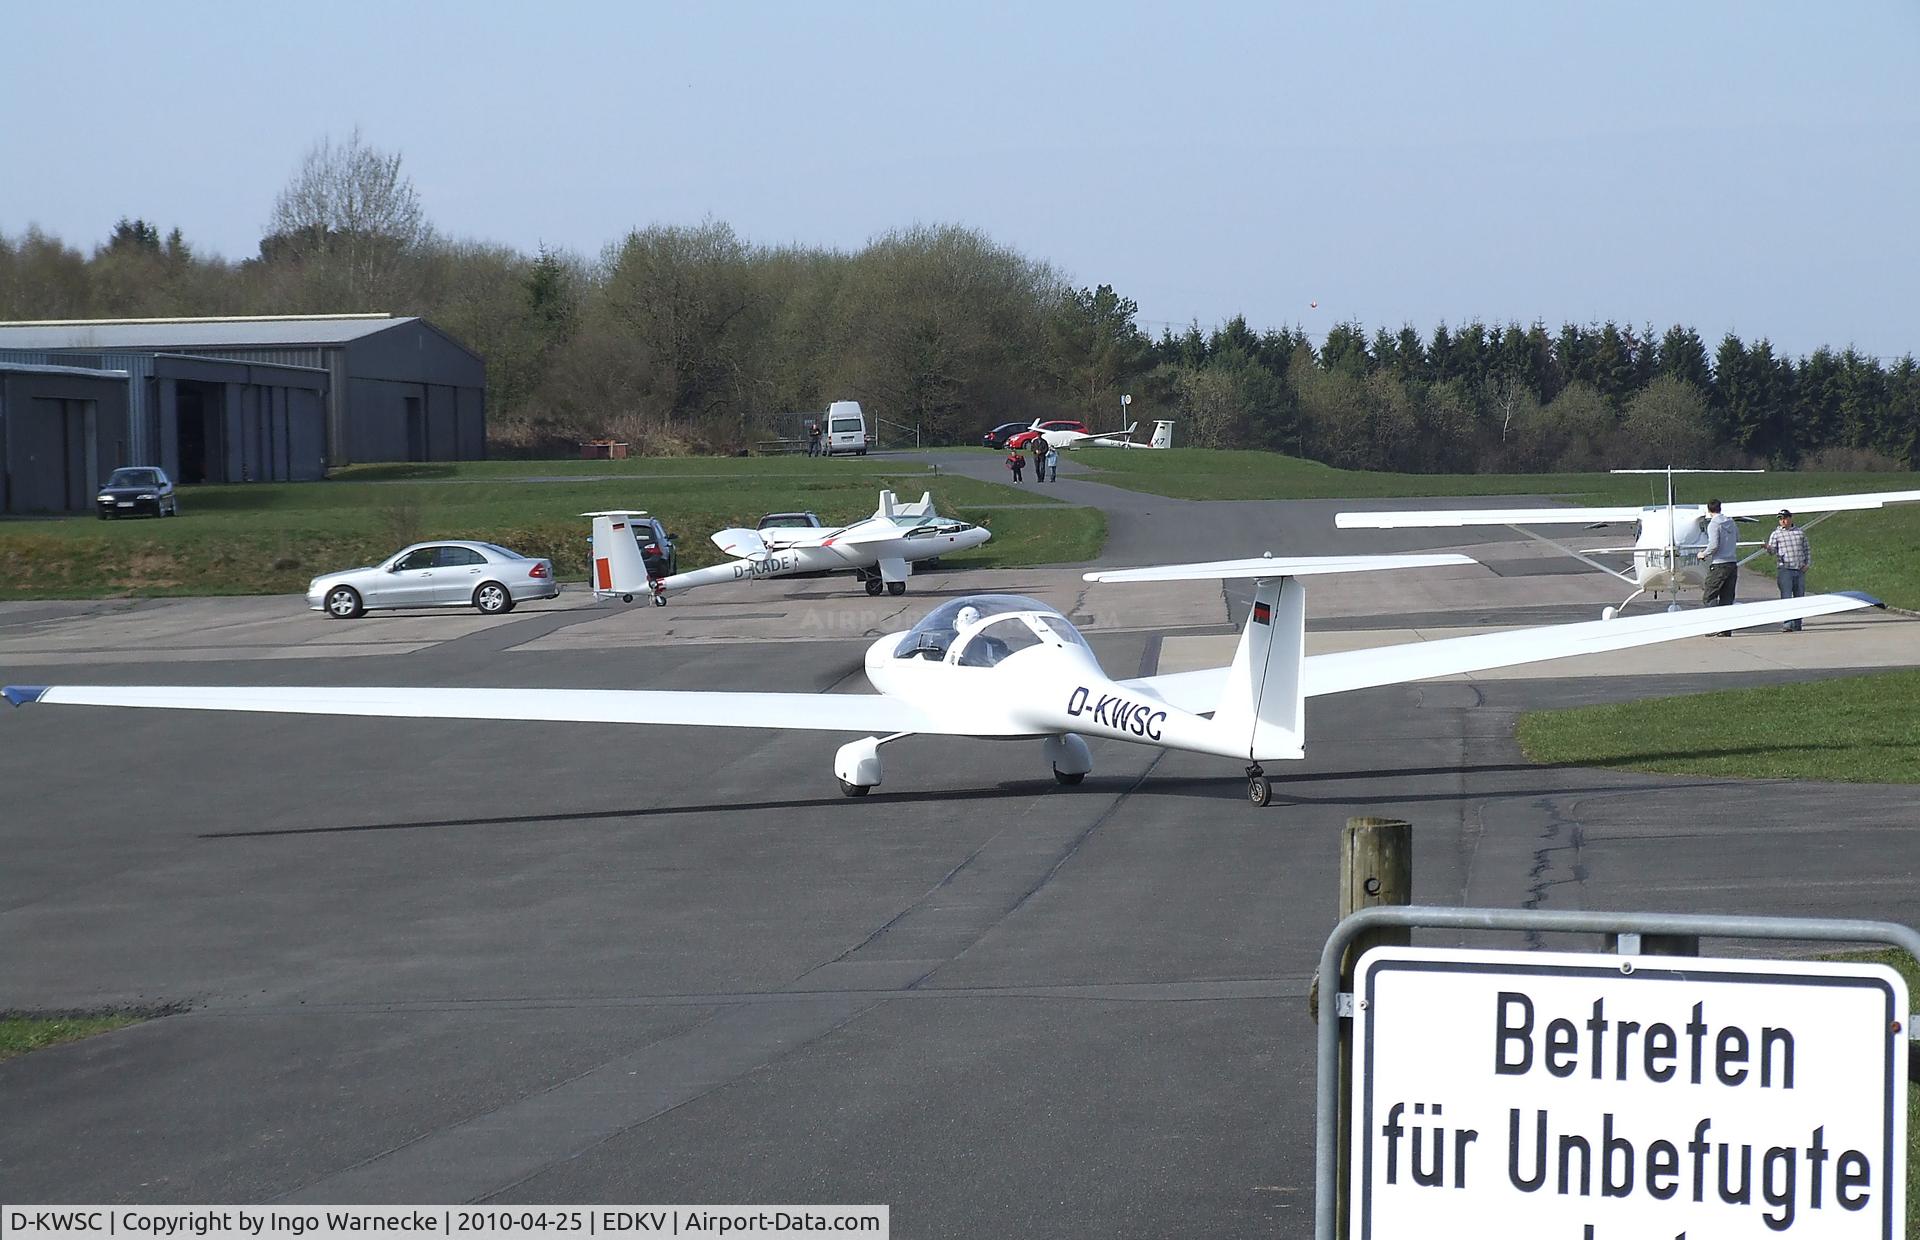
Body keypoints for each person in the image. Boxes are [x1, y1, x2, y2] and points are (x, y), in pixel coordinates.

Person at [1696, 498, 1739, 635]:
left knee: (1709, 596)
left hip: (1719, 564)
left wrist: (1704, 554)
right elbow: (1737, 537)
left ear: (1709, 510)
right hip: (1732, 563)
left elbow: (1714, 545)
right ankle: (1726, 629)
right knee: (1727, 598)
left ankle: (1713, 626)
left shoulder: (1714, 524)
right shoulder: (1731, 522)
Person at [1764, 508, 1811, 632]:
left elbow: (1806, 549)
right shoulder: (1776, 534)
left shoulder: (1800, 532)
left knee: (1799, 597)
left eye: (1784, 518)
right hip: (1785, 569)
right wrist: (1767, 548)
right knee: (1786, 597)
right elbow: (1772, 551)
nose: (1783, 521)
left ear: (1790, 518)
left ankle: (1797, 623)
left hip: (1799, 569)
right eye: (1780, 519)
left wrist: (1807, 564)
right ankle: (1787, 623)